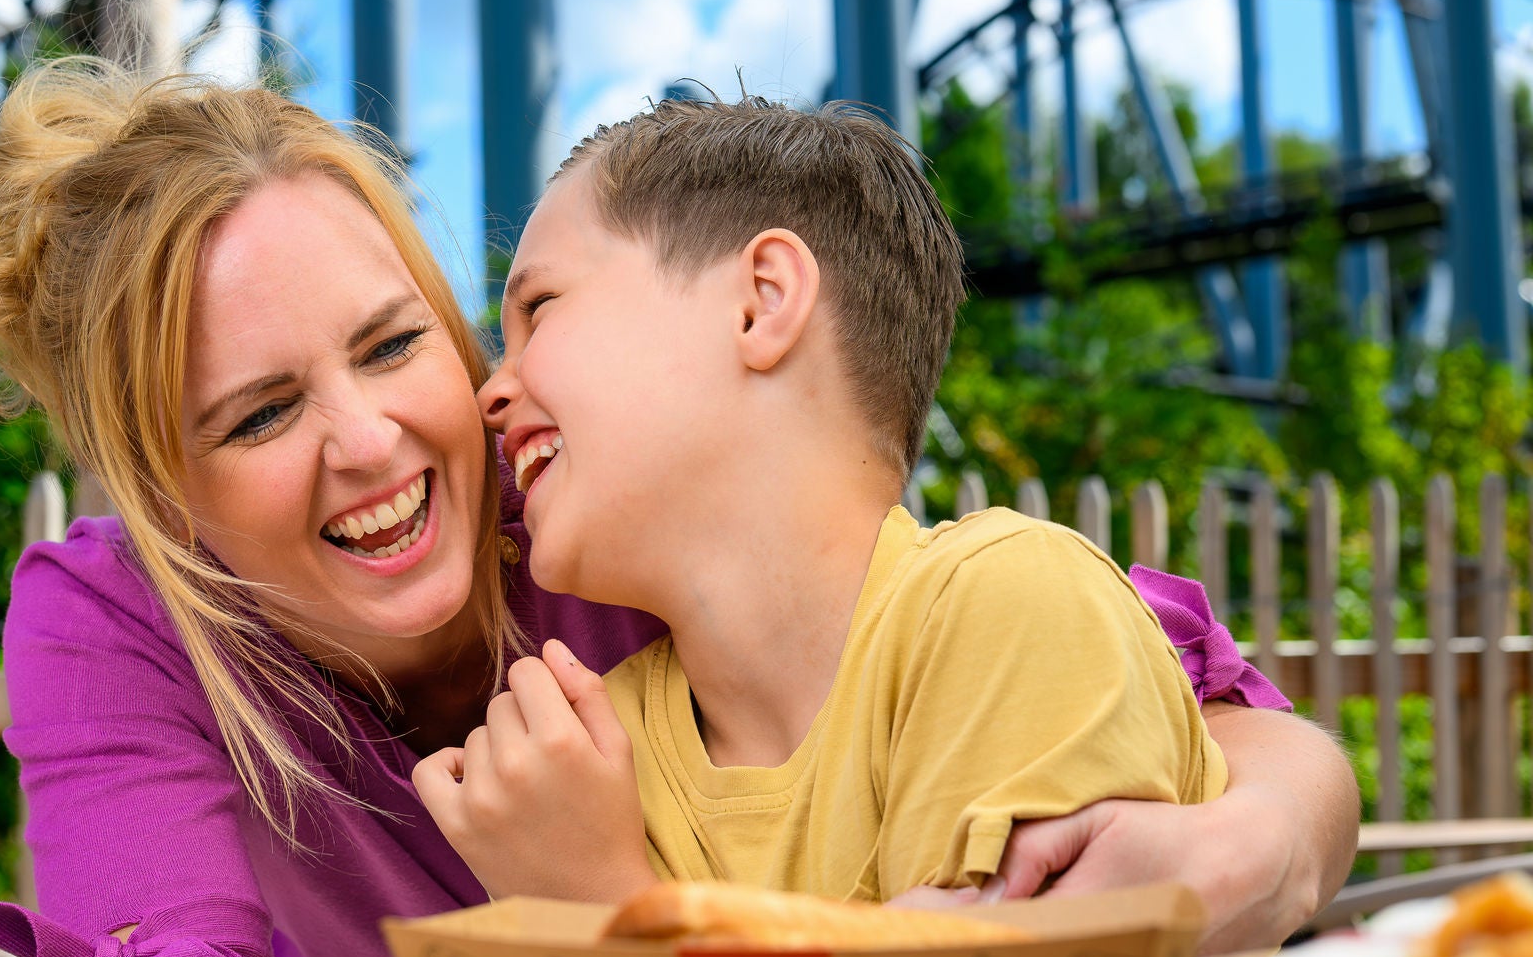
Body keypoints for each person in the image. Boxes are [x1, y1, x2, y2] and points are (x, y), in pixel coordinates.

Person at [0, 56, 1359, 957]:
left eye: (398, 343)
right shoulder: (123, 616)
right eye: (260, 415)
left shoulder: (588, 501)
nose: (372, 441)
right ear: (166, 496)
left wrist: (1262, 842)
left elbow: (1160, 707)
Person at [416, 95, 1235, 912]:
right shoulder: (588, 762)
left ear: (762, 300)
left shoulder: (1013, 604)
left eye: (540, 310)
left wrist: (601, 899)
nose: (493, 392)